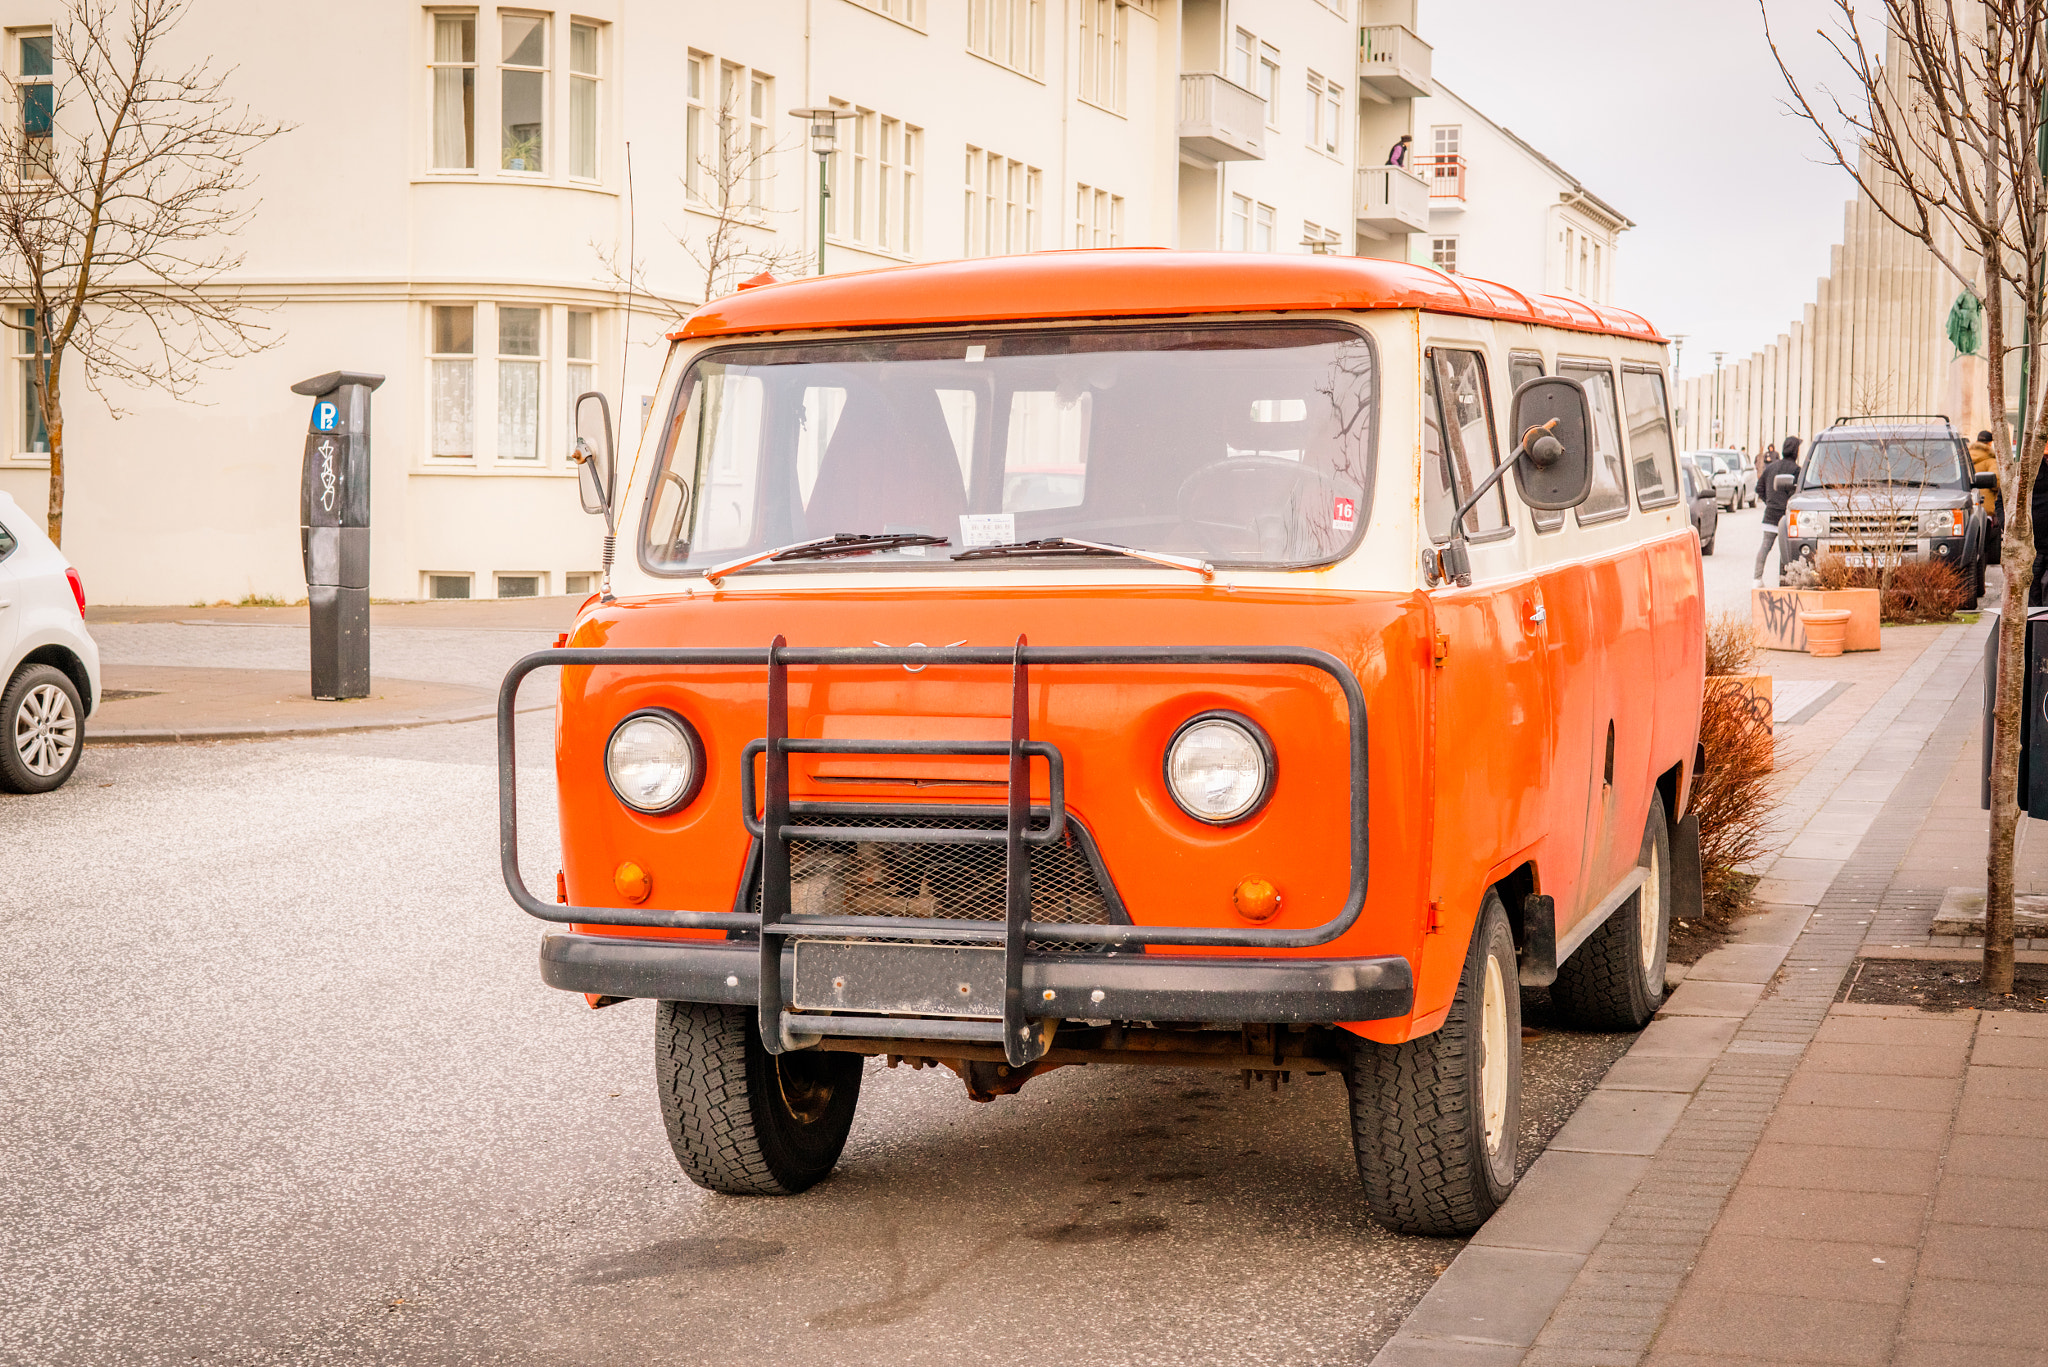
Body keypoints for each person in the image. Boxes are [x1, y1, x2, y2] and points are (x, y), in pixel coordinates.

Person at [1753, 435, 1803, 587]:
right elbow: (1798, 494)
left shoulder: (1771, 468)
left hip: (1770, 513)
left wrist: (1769, 501)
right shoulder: (1797, 470)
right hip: (1787, 516)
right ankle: (1784, 580)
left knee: (1765, 546)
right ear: (1795, 451)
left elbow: (1758, 488)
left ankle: (1756, 579)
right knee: (1785, 550)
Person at [1970, 429, 2000, 518]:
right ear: (1990, 443)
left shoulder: (1965, 458)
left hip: (1968, 505)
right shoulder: (1991, 461)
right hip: (1986, 507)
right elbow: (1996, 482)